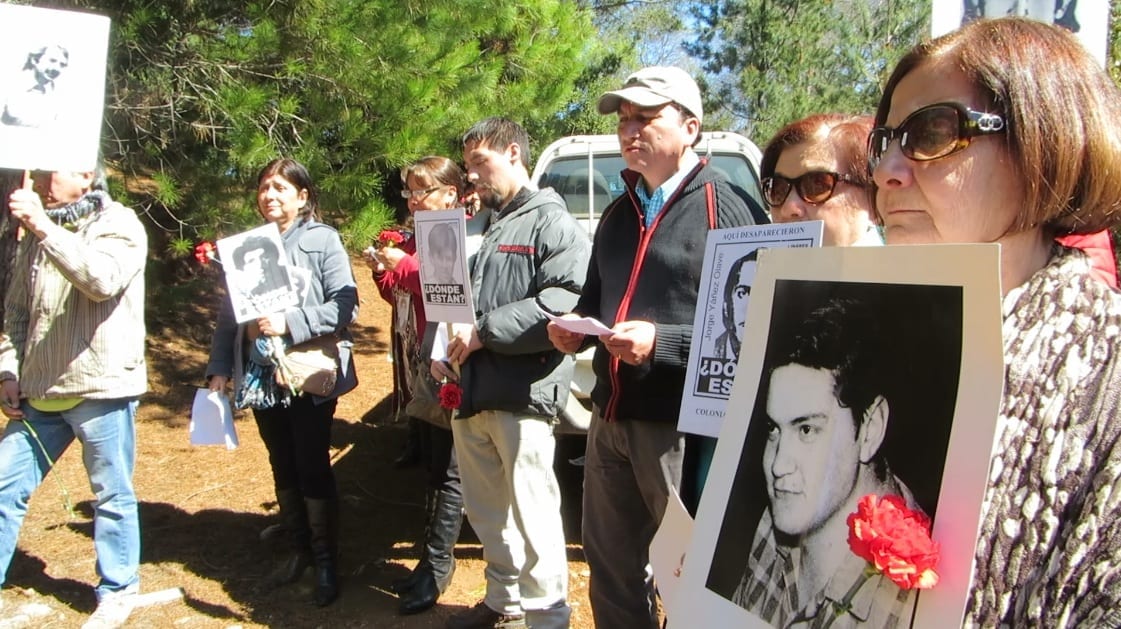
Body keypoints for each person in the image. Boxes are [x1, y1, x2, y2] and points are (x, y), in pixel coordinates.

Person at [869, 17, 1121, 624]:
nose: (886, 171)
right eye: (884, 142)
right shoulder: (856, 332)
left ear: (1046, 139)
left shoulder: (1105, 374)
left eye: (931, 133)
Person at [546, 66, 761, 629]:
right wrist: (574, 328)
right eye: (623, 118)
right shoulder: (618, 213)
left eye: (646, 116)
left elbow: (757, 330)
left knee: (694, 574)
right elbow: (595, 298)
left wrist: (663, 343)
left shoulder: (728, 206)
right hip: (608, 418)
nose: (629, 128)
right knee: (611, 569)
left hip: (683, 428)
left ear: (690, 127)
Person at [432, 117, 589, 629]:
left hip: (521, 396)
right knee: (487, 512)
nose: (472, 174)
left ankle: (547, 617)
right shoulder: (481, 224)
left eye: (482, 162)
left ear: (515, 154)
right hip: (470, 391)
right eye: (469, 163)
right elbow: (454, 301)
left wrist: (483, 333)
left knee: (533, 511)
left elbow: (563, 300)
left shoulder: (551, 222)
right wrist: (445, 346)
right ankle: (504, 603)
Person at [206, 158, 358, 608]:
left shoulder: (322, 240)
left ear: (303, 196)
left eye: (279, 187)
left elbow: (345, 305)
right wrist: (218, 368)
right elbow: (227, 317)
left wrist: (290, 322)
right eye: (263, 187)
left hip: (307, 373)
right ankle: (300, 550)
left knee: (312, 462)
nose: (269, 195)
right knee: (281, 462)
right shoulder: (247, 247)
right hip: (261, 376)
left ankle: (327, 560)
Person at [0, 168, 147, 629]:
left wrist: (42, 227)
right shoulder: (36, 234)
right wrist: (8, 368)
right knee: (4, 488)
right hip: (39, 391)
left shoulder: (119, 223)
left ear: (86, 174)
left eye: (52, 172)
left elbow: (100, 279)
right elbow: (17, 311)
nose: (42, 181)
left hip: (100, 387)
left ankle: (119, 589)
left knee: (110, 495)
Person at [731, 297, 918, 627]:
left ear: (871, 429)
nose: (778, 466)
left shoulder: (911, 603)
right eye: (774, 429)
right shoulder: (786, 514)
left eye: (806, 429)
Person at [366, 155, 468, 615]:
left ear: (450, 193)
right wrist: (382, 269)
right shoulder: (418, 235)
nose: (413, 200)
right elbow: (402, 292)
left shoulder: (459, 231)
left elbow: (445, 283)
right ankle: (429, 562)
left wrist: (403, 264)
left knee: (449, 470)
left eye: (421, 191)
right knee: (431, 464)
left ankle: (437, 566)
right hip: (420, 361)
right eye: (409, 192)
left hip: (451, 361)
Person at [760, 113, 881, 247]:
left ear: (873, 201)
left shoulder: (899, 267)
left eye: (816, 185)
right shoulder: (750, 265)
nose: (788, 208)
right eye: (778, 190)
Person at [2, 44, 69, 128]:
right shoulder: (10, 86)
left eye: (62, 65)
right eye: (52, 61)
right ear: (35, 60)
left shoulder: (59, 96)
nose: (57, 68)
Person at [713, 250, 758, 361]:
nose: (750, 306)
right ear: (728, 302)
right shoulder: (714, 349)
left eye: (762, 293)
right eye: (742, 293)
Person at [231, 234, 291, 302]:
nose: (260, 265)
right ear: (243, 268)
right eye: (251, 261)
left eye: (264, 257)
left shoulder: (294, 278)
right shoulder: (252, 297)